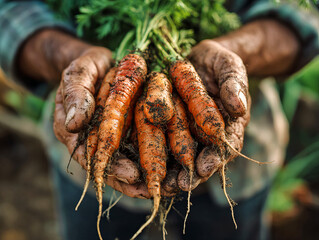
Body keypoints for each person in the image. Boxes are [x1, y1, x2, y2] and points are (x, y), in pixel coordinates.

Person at [0, 0, 318, 239]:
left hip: (241, 176)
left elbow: (303, 10)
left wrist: (234, 52)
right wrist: (68, 58)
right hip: (78, 165)